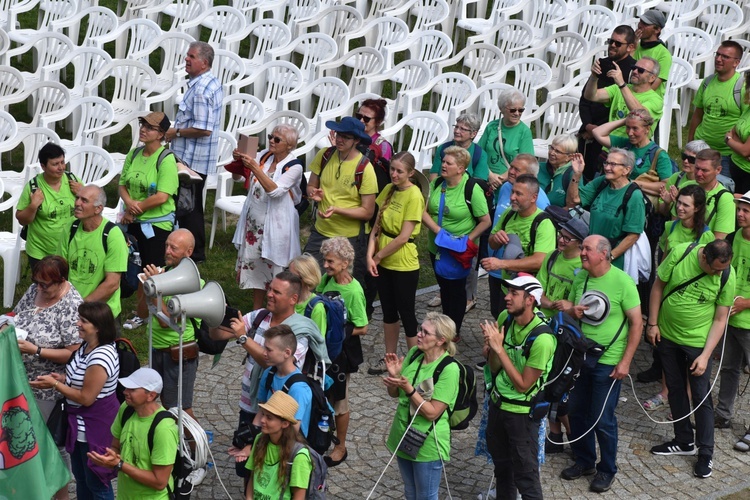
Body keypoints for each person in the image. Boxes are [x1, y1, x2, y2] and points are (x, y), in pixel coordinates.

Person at [219, 271, 324, 488]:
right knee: (247, 468)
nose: (269, 294)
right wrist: (213, 317)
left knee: (271, 471)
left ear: (293, 299)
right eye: (269, 289)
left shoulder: (299, 332)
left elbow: (271, 362)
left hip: (276, 416)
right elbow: (217, 336)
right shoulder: (259, 316)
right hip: (252, 403)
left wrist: (242, 338)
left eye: (277, 291)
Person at [560, 236, 642, 493]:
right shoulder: (580, 277)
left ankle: (607, 469)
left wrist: (626, 361)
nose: (582, 252)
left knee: (602, 419)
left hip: (608, 361)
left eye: (587, 249)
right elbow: (571, 311)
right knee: (576, 411)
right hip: (581, 357)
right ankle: (584, 461)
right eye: (582, 247)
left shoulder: (622, 282)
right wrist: (572, 311)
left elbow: (636, 323)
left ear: (604, 254)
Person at [647, 239, 735, 478]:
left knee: (701, 396)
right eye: (715, 268)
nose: (719, 273)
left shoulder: (727, 273)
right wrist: (652, 323)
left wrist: (706, 356)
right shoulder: (680, 253)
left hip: (697, 344)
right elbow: (658, 286)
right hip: (667, 336)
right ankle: (684, 440)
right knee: (674, 388)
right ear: (704, 257)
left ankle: (706, 452)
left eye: (723, 268)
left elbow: (720, 318)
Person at [31, 301, 120, 500]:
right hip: (80, 426)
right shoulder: (86, 346)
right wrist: (62, 379)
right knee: (82, 479)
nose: (77, 324)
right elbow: (81, 380)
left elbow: (86, 398)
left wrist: (55, 385)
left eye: (83, 321)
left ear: (98, 327)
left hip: (95, 427)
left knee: (97, 482)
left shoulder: (101, 357)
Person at [14, 255, 83, 500]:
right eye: (37, 283)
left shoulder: (72, 305)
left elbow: (76, 353)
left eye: (45, 285)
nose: (39, 288)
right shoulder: (37, 288)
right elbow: (17, 315)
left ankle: (60, 495)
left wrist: (37, 350)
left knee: (50, 445)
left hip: (49, 387)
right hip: (22, 380)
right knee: (22, 439)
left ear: (61, 280)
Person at [481, 275, 556, 499]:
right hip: (497, 407)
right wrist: (492, 350)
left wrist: (500, 349)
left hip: (521, 417)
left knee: (526, 477)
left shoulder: (542, 339)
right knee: (502, 471)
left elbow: (523, 385)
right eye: (508, 291)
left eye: (514, 293)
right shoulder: (506, 317)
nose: (506, 297)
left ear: (530, 300)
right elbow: (495, 369)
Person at [383, 312, 459, 500]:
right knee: (410, 492)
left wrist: (409, 389)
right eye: (420, 329)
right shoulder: (414, 354)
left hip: (427, 443)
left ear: (441, 340)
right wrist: (395, 378)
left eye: (425, 332)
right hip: (403, 433)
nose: (419, 334)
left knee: (425, 496)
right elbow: (395, 394)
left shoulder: (449, 369)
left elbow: (432, 413)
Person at [422, 146, 491, 339]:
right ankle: (445, 327)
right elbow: (423, 211)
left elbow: (485, 221)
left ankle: (453, 332)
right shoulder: (436, 184)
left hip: (458, 252)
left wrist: (464, 241)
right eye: (443, 161)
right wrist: (439, 232)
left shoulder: (471, 189)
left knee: (456, 291)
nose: (443, 165)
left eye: (448, 163)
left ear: (461, 168)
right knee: (444, 288)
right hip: (435, 246)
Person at [232, 124, 303, 311]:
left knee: (276, 268)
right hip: (255, 224)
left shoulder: (294, 166)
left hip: (278, 225)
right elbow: (238, 179)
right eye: (271, 136)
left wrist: (255, 167)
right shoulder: (264, 155)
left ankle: (279, 310)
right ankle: (257, 310)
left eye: (277, 139)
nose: (271, 140)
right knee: (256, 267)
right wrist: (238, 162)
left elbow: (275, 191)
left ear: (290, 145)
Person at [366, 152, 424, 375]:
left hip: (403, 263)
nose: (394, 174)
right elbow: (376, 227)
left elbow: (403, 237)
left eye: (399, 171)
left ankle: (413, 365)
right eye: (392, 169)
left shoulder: (414, 195)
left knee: (406, 312)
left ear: (410, 173)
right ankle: (389, 357)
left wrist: (378, 257)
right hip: (382, 259)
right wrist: (370, 255)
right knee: (388, 312)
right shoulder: (388, 190)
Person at [165, 41, 224, 263]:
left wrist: (175, 132)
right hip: (199, 157)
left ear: (204, 62)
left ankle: (194, 253)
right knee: (193, 206)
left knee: (190, 208)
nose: (186, 59)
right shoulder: (209, 82)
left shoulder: (200, 90)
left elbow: (203, 129)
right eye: (187, 55)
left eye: (191, 56)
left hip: (192, 160)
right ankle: (193, 251)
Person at [136, 229, 202, 419]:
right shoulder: (162, 273)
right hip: (158, 349)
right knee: (164, 403)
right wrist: (145, 288)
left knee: (180, 408)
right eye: (166, 245)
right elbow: (142, 312)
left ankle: (196, 445)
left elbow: (168, 322)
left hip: (178, 353)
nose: (167, 251)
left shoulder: (193, 282)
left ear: (188, 252)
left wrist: (157, 287)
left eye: (173, 248)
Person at [304, 116, 377, 286]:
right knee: (308, 280)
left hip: (349, 239)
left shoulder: (365, 169)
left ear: (357, 140)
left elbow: (367, 212)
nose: (340, 139)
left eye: (346, 136)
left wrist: (337, 210)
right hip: (320, 231)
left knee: (343, 288)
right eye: (338, 134)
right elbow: (310, 185)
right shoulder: (325, 154)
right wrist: (313, 193)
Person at [537, 218, 589, 453]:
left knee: (562, 390)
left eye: (567, 238)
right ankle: (555, 434)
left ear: (579, 244)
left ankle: (575, 438)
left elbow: (580, 306)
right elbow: (539, 291)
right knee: (548, 385)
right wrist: (550, 303)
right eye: (561, 234)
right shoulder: (552, 257)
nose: (560, 239)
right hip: (547, 328)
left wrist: (567, 307)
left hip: (568, 336)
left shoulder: (582, 266)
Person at [88, 368, 179, 499]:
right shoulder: (126, 408)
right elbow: (116, 446)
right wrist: (110, 457)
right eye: (126, 388)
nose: (125, 392)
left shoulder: (164, 429)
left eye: (132, 389)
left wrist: (119, 464)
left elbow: (160, 482)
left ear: (151, 396)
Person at [318, 237, 368, 467]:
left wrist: (338, 333)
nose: (325, 266)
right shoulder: (327, 279)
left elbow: (363, 326)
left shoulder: (354, 291)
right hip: (323, 350)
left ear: (345, 263)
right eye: (325, 260)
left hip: (341, 355)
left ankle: (341, 446)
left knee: (340, 401)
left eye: (330, 261)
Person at [481, 174, 556, 319]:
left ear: (533, 198)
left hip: (528, 296)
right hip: (508, 289)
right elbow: (491, 241)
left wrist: (501, 264)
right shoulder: (509, 214)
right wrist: (496, 239)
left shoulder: (544, 223)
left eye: (519, 194)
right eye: (512, 192)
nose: (512, 197)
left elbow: (539, 261)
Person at [566, 148, 646, 270]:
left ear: (626, 170)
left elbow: (633, 235)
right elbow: (573, 200)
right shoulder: (602, 182)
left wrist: (609, 258)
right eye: (606, 163)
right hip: (590, 253)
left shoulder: (634, 195)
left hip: (613, 260)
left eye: (613, 164)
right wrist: (577, 174)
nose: (607, 167)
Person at [58, 184, 128, 320]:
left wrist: (81, 305)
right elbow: (60, 267)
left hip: (102, 313)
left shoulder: (113, 235)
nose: (77, 203)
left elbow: (112, 283)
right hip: (72, 307)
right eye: (77, 198)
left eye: (84, 201)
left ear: (98, 209)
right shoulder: (70, 228)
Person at [118, 111, 178, 270]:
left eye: (150, 127)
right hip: (132, 220)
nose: (143, 130)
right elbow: (122, 185)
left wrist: (132, 211)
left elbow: (162, 197)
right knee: (133, 268)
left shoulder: (166, 159)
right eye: (143, 125)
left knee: (151, 273)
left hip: (156, 224)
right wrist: (129, 204)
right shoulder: (134, 154)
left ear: (160, 135)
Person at [578, 25, 637, 181]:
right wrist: (588, 125)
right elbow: (585, 99)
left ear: (630, 47)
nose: (612, 45)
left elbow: (619, 107)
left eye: (618, 43)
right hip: (589, 129)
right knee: (581, 171)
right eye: (611, 41)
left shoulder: (633, 72)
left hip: (610, 133)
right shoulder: (601, 64)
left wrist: (597, 130)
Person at [15, 143, 82, 269]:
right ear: (43, 166)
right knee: (44, 287)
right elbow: (21, 219)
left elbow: (91, 208)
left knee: (68, 286)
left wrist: (83, 192)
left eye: (62, 162)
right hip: (41, 252)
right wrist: (33, 206)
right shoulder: (33, 187)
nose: (61, 167)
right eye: (55, 164)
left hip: (71, 247)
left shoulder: (73, 180)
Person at [716, 192, 750, 433]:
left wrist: (745, 303)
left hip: (747, 319)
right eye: (739, 208)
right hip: (730, 318)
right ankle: (722, 415)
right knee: (728, 369)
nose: (740, 213)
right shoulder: (732, 237)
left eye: (746, 211)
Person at [689, 40, 746, 178]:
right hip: (701, 149)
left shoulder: (742, 87)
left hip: (726, 154)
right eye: (717, 54)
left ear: (736, 62)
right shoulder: (707, 82)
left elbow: (746, 123)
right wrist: (690, 143)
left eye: (725, 57)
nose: (719, 59)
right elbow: (698, 114)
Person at [245, 391, 313, 500]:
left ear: (285, 424)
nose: (262, 420)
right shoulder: (259, 440)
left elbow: (299, 496)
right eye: (263, 414)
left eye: (269, 418)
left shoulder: (299, 456)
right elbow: (253, 476)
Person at [592, 109, 673, 198]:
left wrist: (631, 183)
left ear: (647, 129)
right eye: (628, 127)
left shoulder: (659, 155)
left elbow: (666, 185)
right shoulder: (624, 145)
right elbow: (597, 133)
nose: (630, 133)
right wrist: (625, 120)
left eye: (635, 128)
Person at [583, 56, 664, 140]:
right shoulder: (618, 88)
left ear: (652, 78)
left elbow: (640, 114)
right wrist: (594, 76)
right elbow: (590, 96)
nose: (635, 71)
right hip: (610, 145)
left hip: (633, 149)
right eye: (634, 68)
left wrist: (622, 84)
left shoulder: (656, 100)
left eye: (640, 70)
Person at [253, 325, 312, 436]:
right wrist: (250, 440)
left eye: (269, 350)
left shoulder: (299, 388)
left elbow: (293, 432)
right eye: (264, 348)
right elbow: (262, 411)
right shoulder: (269, 373)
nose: (264, 353)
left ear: (287, 353)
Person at [477, 89, 534, 186]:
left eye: (521, 110)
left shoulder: (524, 132)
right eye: (513, 110)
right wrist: (490, 175)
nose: (517, 113)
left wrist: (499, 179)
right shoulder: (492, 126)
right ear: (502, 109)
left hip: (508, 183)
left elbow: (525, 163)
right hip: (485, 178)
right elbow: (479, 153)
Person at [656, 140, 710, 219]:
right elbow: (662, 211)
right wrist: (667, 203)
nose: (685, 161)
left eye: (691, 159)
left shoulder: (704, 185)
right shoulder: (676, 177)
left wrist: (679, 201)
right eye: (684, 156)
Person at [429, 111, 489, 181]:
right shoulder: (443, 148)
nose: (457, 131)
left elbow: (479, 183)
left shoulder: (479, 154)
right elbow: (433, 175)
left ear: (473, 134)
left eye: (462, 129)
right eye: (456, 127)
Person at [693, 149, 736, 239]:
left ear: (718, 170)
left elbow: (719, 240)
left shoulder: (725, 198)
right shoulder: (687, 186)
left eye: (704, 170)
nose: (698, 173)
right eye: (697, 168)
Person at [633, 9, 672, 96]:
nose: (640, 26)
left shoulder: (664, 55)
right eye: (640, 21)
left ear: (657, 30)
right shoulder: (636, 45)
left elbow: (651, 89)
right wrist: (633, 45)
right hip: (631, 92)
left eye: (645, 24)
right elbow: (626, 69)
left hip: (647, 101)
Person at [538, 134, 583, 207]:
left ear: (569, 157)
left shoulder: (573, 174)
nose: (552, 153)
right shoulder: (538, 167)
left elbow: (573, 205)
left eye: (557, 151)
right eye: (551, 148)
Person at [288, 253, 327, 335]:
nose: (287, 279)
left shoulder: (316, 308)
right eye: (287, 274)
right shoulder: (285, 298)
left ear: (306, 279)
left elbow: (318, 343)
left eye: (293, 276)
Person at [725, 71, 750, 195]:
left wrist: (730, 140)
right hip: (735, 165)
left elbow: (745, 151)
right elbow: (733, 131)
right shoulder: (748, 110)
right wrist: (736, 142)